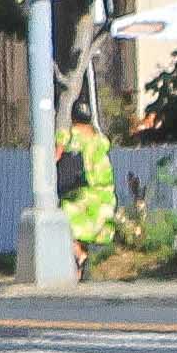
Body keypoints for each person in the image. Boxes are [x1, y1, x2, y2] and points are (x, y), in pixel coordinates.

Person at [60, 103, 122, 270]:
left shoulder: (69, 135)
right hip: (103, 193)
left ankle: (79, 256)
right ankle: (82, 263)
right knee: (90, 232)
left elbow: (56, 155)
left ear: (72, 117)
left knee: (63, 225)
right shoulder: (100, 139)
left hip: (79, 191)